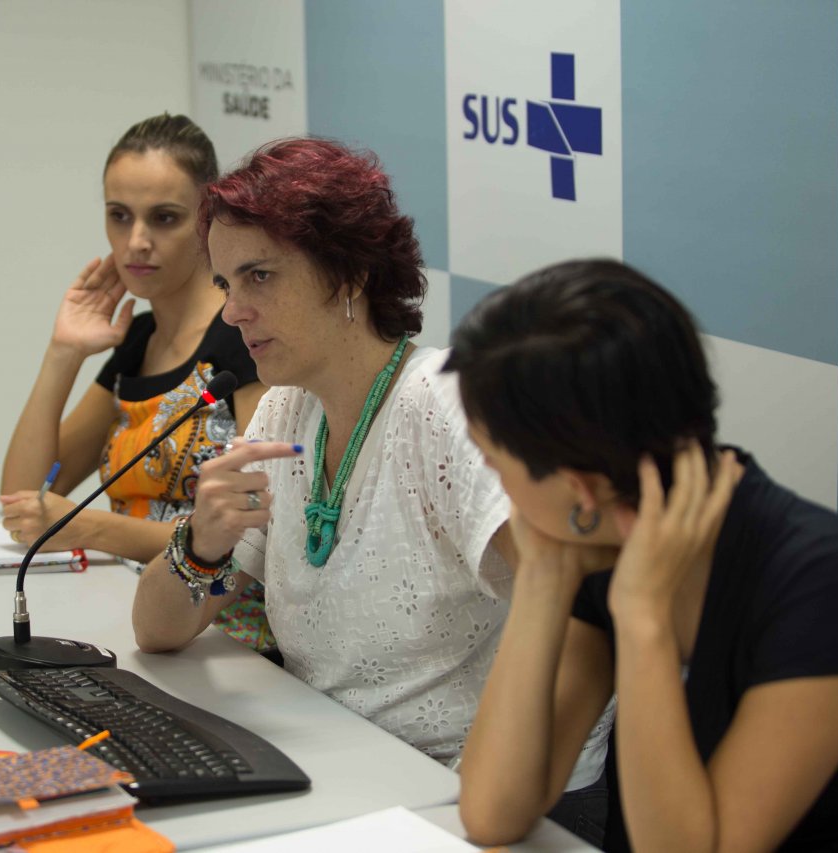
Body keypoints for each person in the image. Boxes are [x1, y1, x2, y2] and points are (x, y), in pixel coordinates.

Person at [130, 139, 615, 800]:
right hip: (347, 774)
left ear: (350, 274)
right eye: (226, 282)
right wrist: (201, 542)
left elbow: (576, 614)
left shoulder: (444, 406)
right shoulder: (283, 409)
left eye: (260, 276)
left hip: (491, 796)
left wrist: (480, 803)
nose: (233, 309)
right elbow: (158, 631)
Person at [447, 259, 838, 851]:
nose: (495, 485)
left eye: (494, 461)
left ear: (580, 487)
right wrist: (541, 576)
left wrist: (643, 620)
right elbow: (493, 812)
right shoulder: (596, 544)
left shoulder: (825, 584)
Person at [0, 114, 270, 650]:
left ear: (206, 219)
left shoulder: (245, 339)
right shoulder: (138, 338)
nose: (136, 241)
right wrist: (64, 353)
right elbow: (24, 498)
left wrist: (92, 529)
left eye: (164, 218)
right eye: (119, 216)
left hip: (229, 642)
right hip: (137, 619)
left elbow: (253, 532)